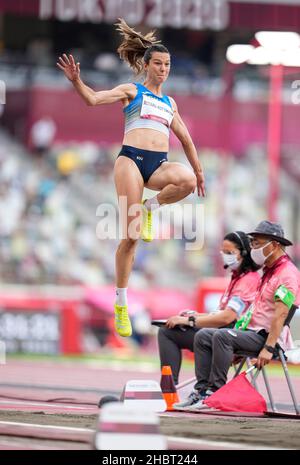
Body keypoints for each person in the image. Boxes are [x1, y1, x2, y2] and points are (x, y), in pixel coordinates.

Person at [57, 19, 205, 338]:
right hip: (131, 161)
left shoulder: (170, 103)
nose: (163, 69)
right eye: (158, 63)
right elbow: (93, 100)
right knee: (132, 236)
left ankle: (151, 207)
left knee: (187, 181)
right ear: (147, 65)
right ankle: (121, 303)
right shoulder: (132, 90)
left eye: (167, 65)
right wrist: (76, 82)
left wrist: (200, 172)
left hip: (159, 165)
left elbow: (187, 140)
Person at [174, 221, 300, 411]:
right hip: (253, 333)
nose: (253, 248)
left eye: (257, 243)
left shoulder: (287, 274)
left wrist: (268, 347)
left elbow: (281, 314)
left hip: (268, 338)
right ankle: (202, 391)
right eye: (252, 243)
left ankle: (215, 394)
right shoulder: (268, 271)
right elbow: (253, 312)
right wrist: (239, 336)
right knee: (203, 335)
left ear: (274, 245)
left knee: (222, 335)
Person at [158, 231, 260, 385]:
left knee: (168, 333)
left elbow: (227, 318)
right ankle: (169, 388)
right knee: (167, 329)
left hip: (229, 336)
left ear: (244, 253)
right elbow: (221, 314)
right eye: (223, 252)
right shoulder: (236, 278)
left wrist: (189, 321)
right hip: (220, 331)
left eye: (230, 252)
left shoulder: (248, 280)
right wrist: (195, 316)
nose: (225, 256)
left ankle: (179, 389)